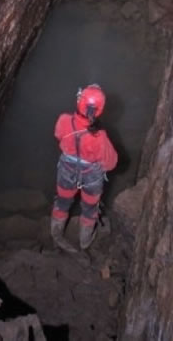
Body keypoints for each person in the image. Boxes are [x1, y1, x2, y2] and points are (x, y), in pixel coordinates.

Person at [51, 84, 118, 251]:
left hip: (67, 170)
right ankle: (85, 242)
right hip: (91, 177)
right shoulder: (100, 136)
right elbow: (111, 163)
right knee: (89, 209)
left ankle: (56, 235)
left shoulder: (64, 120)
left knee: (62, 202)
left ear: (79, 102)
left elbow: (58, 135)